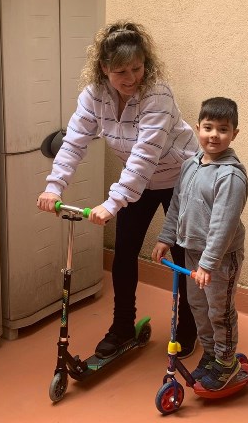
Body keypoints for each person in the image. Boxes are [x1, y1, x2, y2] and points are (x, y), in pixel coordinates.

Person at [36, 20, 199, 359]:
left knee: (183, 256)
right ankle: (122, 325)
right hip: (138, 182)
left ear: (145, 64)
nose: (131, 78)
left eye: (137, 68)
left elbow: (144, 154)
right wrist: (54, 186)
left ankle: (188, 326)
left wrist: (113, 202)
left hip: (180, 179)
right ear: (104, 68)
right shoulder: (94, 96)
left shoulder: (157, 94)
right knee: (124, 254)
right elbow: (74, 142)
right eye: (121, 71)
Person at [152, 96, 248, 391]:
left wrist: (208, 263)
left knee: (219, 311)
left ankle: (227, 363)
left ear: (234, 134)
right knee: (198, 307)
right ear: (197, 128)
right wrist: (166, 237)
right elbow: (177, 205)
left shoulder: (230, 176)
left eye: (223, 129)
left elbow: (223, 225)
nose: (214, 135)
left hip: (220, 259)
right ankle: (210, 354)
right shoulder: (189, 166)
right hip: (191, 253)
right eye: (208, 127)